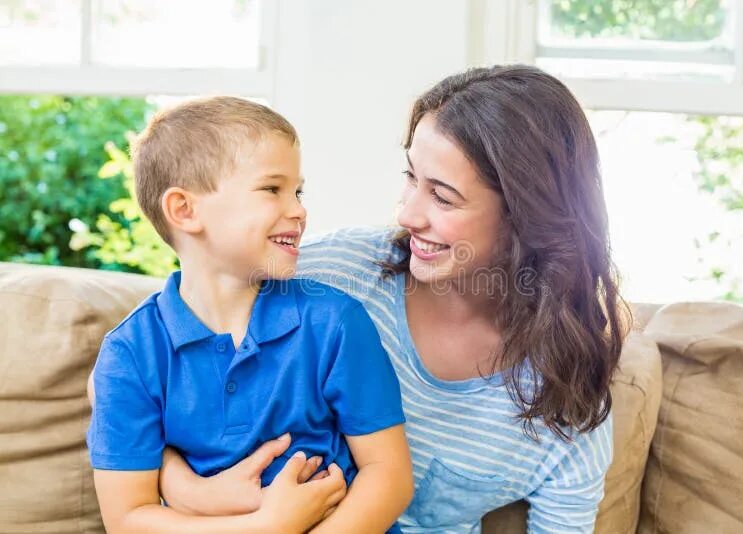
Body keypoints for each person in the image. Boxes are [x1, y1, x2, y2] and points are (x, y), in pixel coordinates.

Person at [159, 65, 629, 533]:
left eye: (443, 198)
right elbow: (148, 365)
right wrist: (186, 488)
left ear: (526, 216)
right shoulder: (331, 278)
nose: (407, 214)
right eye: (411, 176)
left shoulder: (565, 398)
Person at [86, 96, 413, 534]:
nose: (298, 210)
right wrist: (269, 527)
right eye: (271, 189)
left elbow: (389, 477)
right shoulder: (130, 353)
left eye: (297, 191)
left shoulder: (334, 322)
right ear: (185, 210)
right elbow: (128, 519)